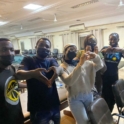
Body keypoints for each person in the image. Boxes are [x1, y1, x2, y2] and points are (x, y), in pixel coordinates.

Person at [0, 38, 52, 124]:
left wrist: (32, 84)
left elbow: (11, 83)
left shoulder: (11, 68)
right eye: (4, 50)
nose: (9, 53)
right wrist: (32, 73)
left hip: (16, 116)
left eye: (11, 50)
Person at [51, 43, 103, 124]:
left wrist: (95, 56)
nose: (73, 51)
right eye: (71, 49)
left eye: (75, 49)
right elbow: (69, 81)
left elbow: (99, 65)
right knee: (83, 122)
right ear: (65, 51)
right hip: (75, 98)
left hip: (88, 94)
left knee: (91, 118)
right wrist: (80, 64)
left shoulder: (84, 62)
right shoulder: (62, 67)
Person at [19, 38, 60, 124]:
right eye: (41, 45)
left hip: (54, 104)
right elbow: (19, 74)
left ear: (49, 49)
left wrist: (58, 70)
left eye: (47, 46)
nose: (44, 48)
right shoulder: (28, 60)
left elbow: (58, 69)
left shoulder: (51, 60)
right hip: (38, 108)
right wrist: (33, 73)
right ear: (36, 46)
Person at [101, 33, 124, 112]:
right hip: (104, 76)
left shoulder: (120, 51)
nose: (112, 41)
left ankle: (109, 114)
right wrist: (104, 51)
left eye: (114, 39)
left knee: (113, 97)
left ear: (118, 39)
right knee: (104, 96)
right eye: (111, 39)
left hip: (114, 76)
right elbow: (97, 55)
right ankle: (104, 115)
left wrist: (121, 50)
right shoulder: (105, 48)